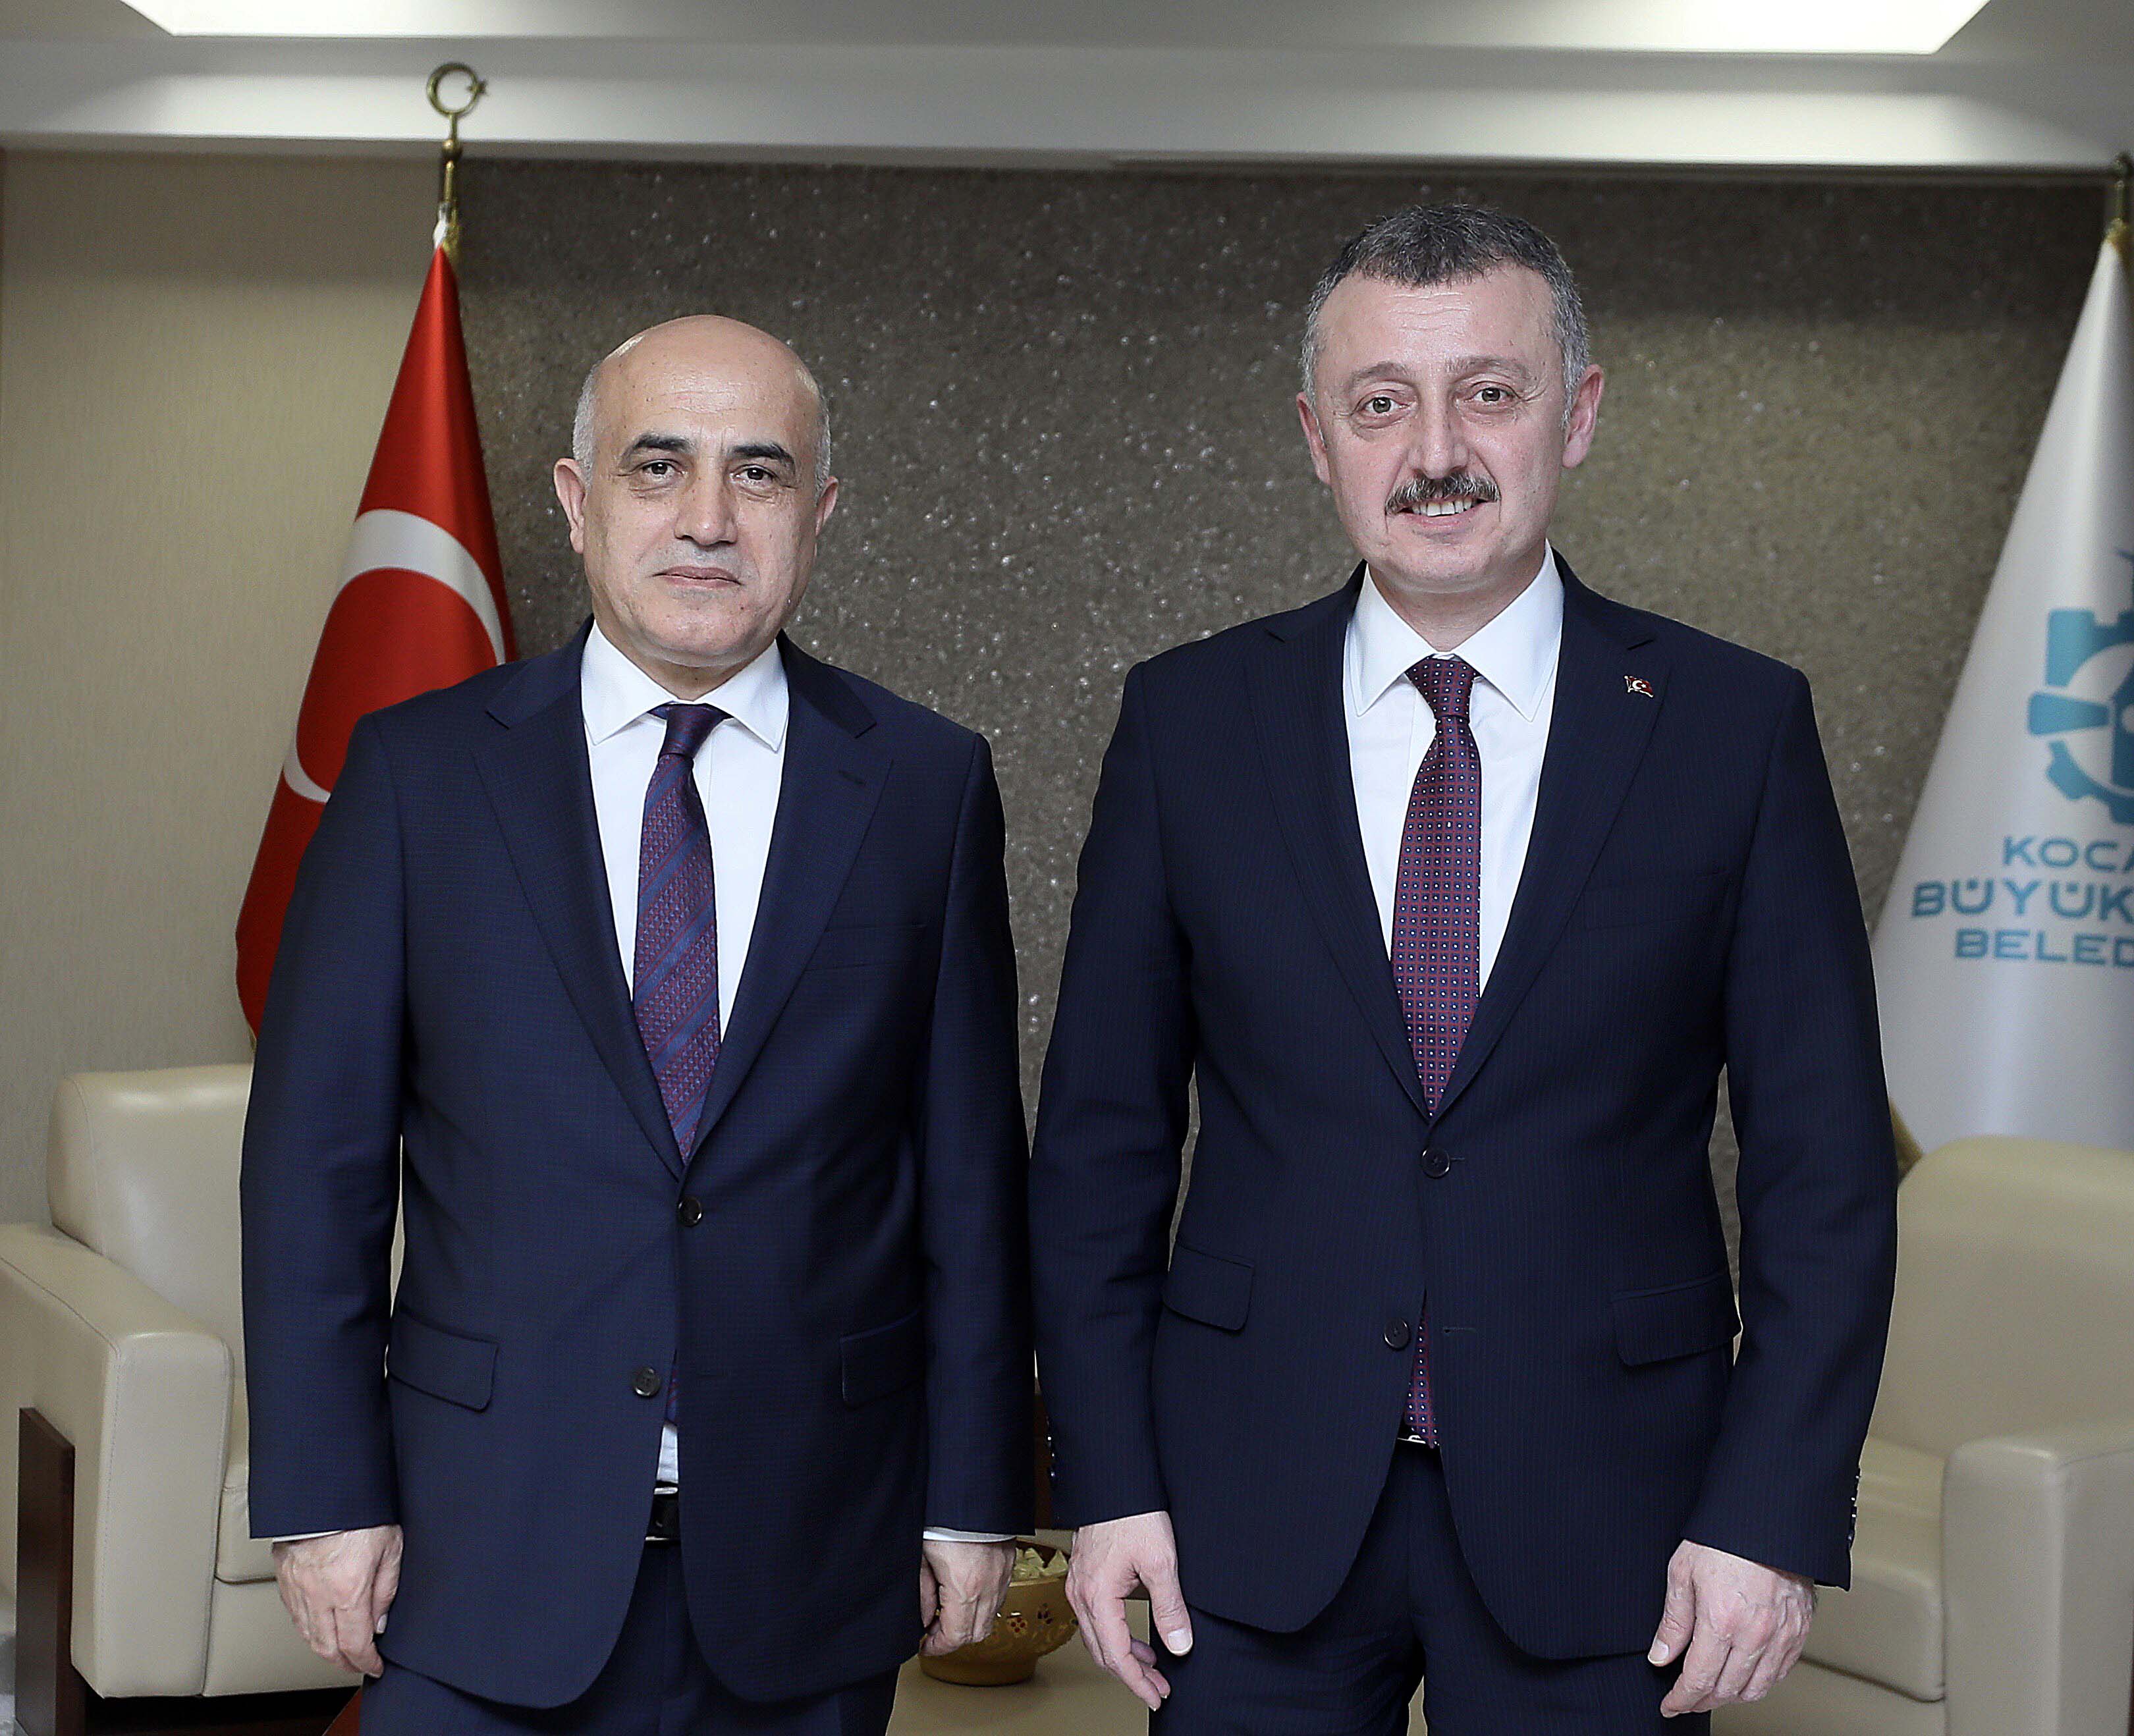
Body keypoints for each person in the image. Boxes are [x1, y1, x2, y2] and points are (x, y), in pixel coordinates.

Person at [1028, 205, 1898, 1733]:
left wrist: (1771, 1512)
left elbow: (1822, 1171)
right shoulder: (1190, 722)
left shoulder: (1731, 727)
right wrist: (1105, 1479)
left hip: (1619, 1517)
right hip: (1247, 1508)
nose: (1436, 450)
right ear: (1319, 438)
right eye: (1382, 403)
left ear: (1580, 412)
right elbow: (1099, 1144)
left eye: (1489, 392)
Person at [242, 315, 1031, 1735]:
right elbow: (316, 1170)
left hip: (810, 1553)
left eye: (759, 473)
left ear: (820, 511)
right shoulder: (420, 777)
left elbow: (969, 1178)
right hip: (479, 1553)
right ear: (576, 498)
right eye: (658, 466)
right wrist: (324, 1499)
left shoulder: (925, 786)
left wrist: (975, 1495)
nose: (708, 518)